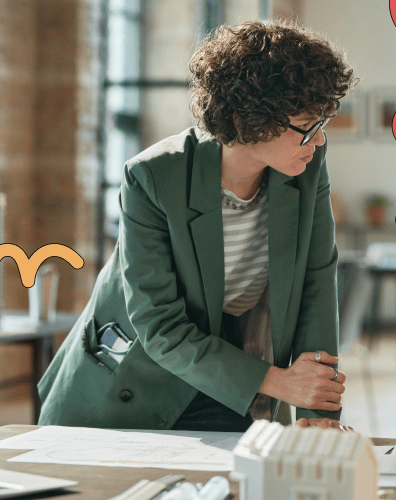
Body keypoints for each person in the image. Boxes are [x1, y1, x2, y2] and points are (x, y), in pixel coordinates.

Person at [38, 20, 357, 432]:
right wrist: (279, 383)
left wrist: (318, 414)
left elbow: (316, 284)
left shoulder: (307, 165)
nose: (318, 141)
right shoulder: (151, 178)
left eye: (323, 124)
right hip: (131, 380)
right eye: (308, 127)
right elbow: (160, 326)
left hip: (229, 376)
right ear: (248, 121)